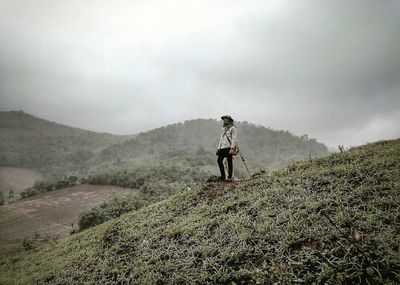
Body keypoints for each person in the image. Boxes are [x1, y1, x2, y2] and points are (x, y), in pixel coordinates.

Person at [216, 115, 238, 181]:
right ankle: (223, 176)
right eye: (224, 119)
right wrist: (218, 148)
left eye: (226, 119)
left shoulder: (233, 128)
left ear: (229, 120)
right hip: (222, 147)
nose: (224, 120)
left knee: (229, 161)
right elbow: (221, 138)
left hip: (229, 147)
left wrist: (232, 148)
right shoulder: (223, 128)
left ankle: (229, 177)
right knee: (219, 161)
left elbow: (234, 138)